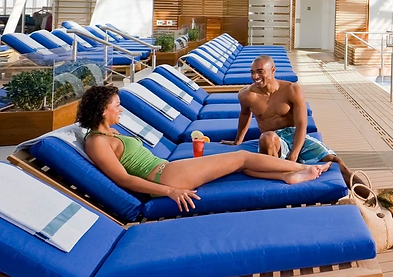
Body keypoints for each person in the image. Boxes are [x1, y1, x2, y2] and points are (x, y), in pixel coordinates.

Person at [81, 85, 328, 212]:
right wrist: (170, 191)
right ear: (103, 110)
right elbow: (123, 179)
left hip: (167, 170)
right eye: (117, 106)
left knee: (242, 168)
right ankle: (303, 168)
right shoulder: (97, 142)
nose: (121, 109)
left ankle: (288, 175)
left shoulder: (109, 132)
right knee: (242, 157)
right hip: (165, 178)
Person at [222, 55, 369, 196]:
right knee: (267, 137)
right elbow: (245, 115)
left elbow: (301, 124)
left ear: (273, 70)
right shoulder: (247, 95)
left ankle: (370, 198)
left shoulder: (291, 90)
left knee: (336, 161)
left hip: (295, 135)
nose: (255, 77)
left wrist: (294, 154)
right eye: (252, 72)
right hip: (274, 140)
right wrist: (238, 141)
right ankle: (288, 174)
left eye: (260, 72)